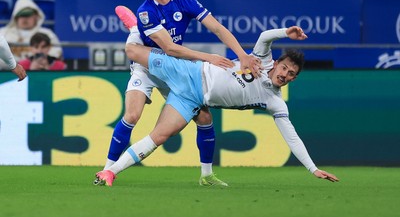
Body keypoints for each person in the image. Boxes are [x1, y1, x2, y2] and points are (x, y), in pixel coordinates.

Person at [95, 25, 339, 186]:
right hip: (189, 71)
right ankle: (135, 27)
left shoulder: (275, 103)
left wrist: (312, 168)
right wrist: (287, 32)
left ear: (294, 78)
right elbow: (265, 37)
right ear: (276, 63)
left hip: (192, 99)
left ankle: (110, 172)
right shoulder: (261, 60)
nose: (285, 74)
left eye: (291, 73)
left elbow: (292, 138)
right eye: (284, 67)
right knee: (133, 52)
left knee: (158, 137)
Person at [94, 0, 261, 187]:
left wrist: (242, 55)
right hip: (149, 64)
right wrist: (208, 56)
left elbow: (218, 28)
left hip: (173, 67)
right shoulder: (146, 11)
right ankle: (106, 170)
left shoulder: (184, 1)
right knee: (132, 114)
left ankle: (207, 176)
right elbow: (169, 48)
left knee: (204, 117)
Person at [0, 0, 62, 70]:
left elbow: (56, 52)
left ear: (36, 17)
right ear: (15, 18)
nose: (25, 19)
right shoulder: (3, 33)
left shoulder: (47, 33)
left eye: (28, 15)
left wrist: (32, 61)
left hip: (38, 70)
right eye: (21, 16)